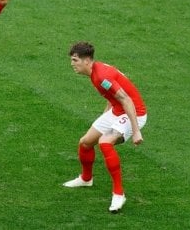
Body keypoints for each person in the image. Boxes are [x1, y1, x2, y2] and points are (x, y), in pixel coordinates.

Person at [63, 42, 147, 213]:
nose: (72, 64)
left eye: (75, 60)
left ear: (87, 61)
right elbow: (112, 96)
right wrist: (105, 117)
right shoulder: (95, 72)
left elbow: (127, 100)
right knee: (85, 143)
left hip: (134, 113)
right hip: (117, 110)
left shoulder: (101, 77)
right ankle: (86, 179)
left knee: (105, 142)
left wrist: (136, 131)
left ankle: (119, 193)